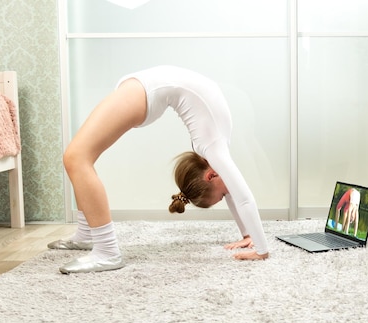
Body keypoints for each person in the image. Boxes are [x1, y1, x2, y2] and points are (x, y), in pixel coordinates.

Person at [49, 65, 269, 273]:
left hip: (144, 90)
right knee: (78, 158)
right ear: (211, 175)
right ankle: (97, 242)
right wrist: (260, 247)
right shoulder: (214, 149)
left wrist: (247, 233)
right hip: (143, 91)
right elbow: (243, 198)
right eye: (222, 195)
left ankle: (100, 244)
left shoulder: (212, 151)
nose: (228, 192)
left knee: (76, 158)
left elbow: (234, 194)